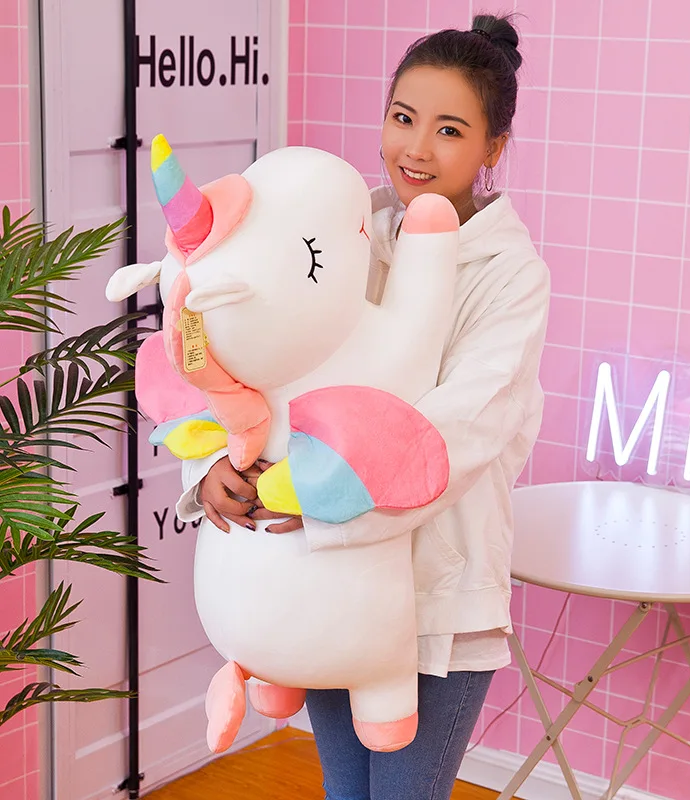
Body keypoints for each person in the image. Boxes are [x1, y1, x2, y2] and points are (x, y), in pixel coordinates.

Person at [176, 13, 550, 799]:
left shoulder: (510, 274)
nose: (417, 148)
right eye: (403, 117)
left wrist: (319, 495)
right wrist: (214, 466)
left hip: (436, 598)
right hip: (322, 590)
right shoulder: (333, 234)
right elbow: (260, 358)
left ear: (494, 148)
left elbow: (459, 431)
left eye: (450, 130)